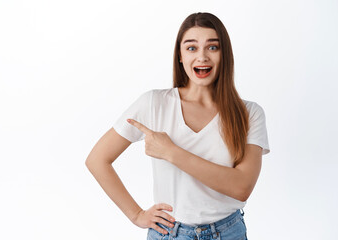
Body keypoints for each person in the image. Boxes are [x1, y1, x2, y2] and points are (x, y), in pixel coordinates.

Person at [85, 12, 270, 240]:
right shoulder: (154, 103)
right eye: (192, 48)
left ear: (225, 55)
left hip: (228, 233)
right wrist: (136, 215)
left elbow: (242, 187)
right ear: (180, 56)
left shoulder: (249, 113)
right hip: (169, 234)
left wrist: (171, 152)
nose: (202, 57)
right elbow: (97, 160)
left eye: (212, 47)